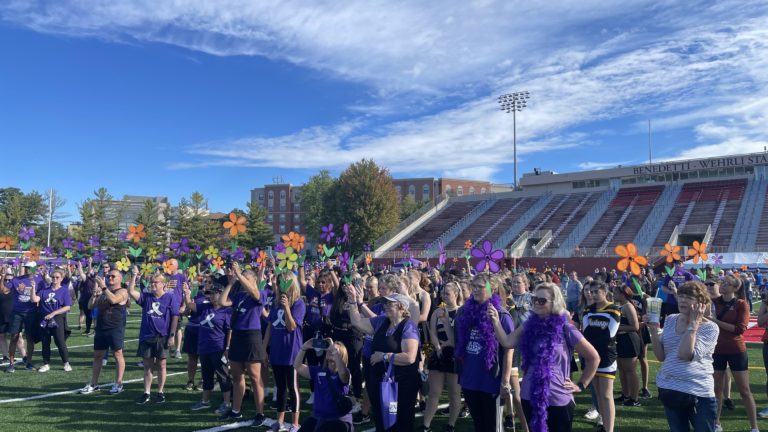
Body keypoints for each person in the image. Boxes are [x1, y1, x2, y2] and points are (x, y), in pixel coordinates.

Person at [490, 282, 599, 432]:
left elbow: (593, 357)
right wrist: (495, 321)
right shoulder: (528, 325)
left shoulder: (565, 328)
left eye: (542, 300)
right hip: (530, 395)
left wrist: (581, 384)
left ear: (555, 303)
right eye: (534, 299)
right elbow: (507, 342)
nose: (536, 303)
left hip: (558, 397)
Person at [648, 281, 719, 432]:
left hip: (698, 393)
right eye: (680, 296)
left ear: (701, 303)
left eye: (688, 297)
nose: (682, 300)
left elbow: (685, 354)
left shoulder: (710, 328)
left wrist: (694, 323)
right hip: (670, 388)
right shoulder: (671, 319)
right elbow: (661, 357)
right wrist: (653, 332)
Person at [347, 289, 420, 432]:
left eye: (390, 303)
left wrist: (384, 356)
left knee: (400, 421)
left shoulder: (408, 326)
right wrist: (352, 301)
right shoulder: (381, 321)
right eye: (385, 303)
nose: (385, 306)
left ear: (401, 307)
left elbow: (410, 357)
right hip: (380, 381)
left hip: (402, 384)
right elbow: (357, 321)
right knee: (381, 418)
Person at [455, 273, 513, 431]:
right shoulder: (464, 312)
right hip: (470, 379)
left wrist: (505, 381)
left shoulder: (501, 316)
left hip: (491, 381)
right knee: (479, 425)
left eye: (480, 286)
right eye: (473, 285)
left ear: (492, 289)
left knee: (492, 426)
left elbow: (509, 351)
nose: (474, 289)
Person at [707, 274, 759, 432]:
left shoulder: (741, 304)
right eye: (721, 282)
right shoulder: (714, 302)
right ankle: (716, 423)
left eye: (726, 284)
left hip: (736, 350)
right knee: (716, 389)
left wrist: (715, 321)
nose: (722, 285)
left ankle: (754, 427)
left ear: (735, 288)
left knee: (744, 390)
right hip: (717, 350)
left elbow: (739, 329)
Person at [218, 262, 268, 426]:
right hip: (238, 336)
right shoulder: (239, 295)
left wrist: (239, 274)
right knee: (237, 376)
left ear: (254, 280)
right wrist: (232, 283)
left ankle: (260, 413)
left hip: (251, 337)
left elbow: (254, 292)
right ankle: (235, 410)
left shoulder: (260, 293)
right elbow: (222, 302)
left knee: (255, 378)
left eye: (245, 279)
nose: (242, 282)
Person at [128, 267, 180, 404]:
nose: (153, 285)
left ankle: (160, 392)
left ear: (163, 284)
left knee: (161, 365)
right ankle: (146, 392)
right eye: (151, 282)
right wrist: (134, 275)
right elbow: (131, 292)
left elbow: (175, 316)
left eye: (156, 282)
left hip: (162, 336)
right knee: (147, 365)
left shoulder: (170, 297)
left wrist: (172, 335)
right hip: (146, 335)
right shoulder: (146, 297)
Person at [263, 272, 306, 432]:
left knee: (292, 387)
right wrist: (263, 348)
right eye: (280, 282)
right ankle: (279, 422)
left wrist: (287, 307)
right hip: (277, 349)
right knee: (280, 387)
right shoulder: (275, 303)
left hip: (292, 351)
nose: (282, 286)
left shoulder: (299, 303)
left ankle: (295, 424)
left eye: (285, 283)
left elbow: (292, 326)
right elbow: (270, 326)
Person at [184, 282, 233, 415]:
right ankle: (205, 401)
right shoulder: (205, 307)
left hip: (218, 348)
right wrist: (187, 293)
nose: (211, 296)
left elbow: (229, 331)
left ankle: (227, 403)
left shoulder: (227, 310)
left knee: (223, 376)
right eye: (210, 293)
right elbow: (190, 305)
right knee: (206, 376)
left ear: (222, 294)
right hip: (204, 347)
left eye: (214, 293)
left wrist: (227, 348)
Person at [79, 268, 129, 395]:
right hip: (101, 328)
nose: (110, 278)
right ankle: (94, 383)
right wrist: (95, 294)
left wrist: (104, 288)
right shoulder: (103, 292)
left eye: (113, 276)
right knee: (97, 356)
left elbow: (114, 300)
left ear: (120, 279)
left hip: (115, 328)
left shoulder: (123, 291)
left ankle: (118, 383)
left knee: (118, 354)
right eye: (109, 276)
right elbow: (90, 306)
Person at [422, 281, 463, 432]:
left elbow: (459, 338)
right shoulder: (437, 311)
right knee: (434, 392)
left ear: (456, 295)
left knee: (454, 393)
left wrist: (449, 344)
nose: (444, 296)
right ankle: (426, 425)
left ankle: (451, 424)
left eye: (447, 293)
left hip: (455, 355)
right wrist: (438, 347)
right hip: (438, 354)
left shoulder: (461, 312)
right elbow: (432, 331)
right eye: (443, 293)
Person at [581, 280, 620, 432]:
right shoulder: (587, 310)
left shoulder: (614, 309)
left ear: (605, 291)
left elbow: (609, 334)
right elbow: (585, 332)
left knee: (606, 395)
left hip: (606, 356)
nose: (593, 294)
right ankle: (604, 424)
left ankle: (609, 429)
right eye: (591, 291)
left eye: (596, 291)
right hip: (591, 356)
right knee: (597, 395)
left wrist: (589, 339)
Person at [293, 338, 353, 432]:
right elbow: (297, 366)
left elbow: (343, 375)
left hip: (338, 420)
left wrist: (334, 352)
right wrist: (304, 348)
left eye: (334, 350)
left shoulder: (344, 372)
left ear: (341, 355)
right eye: (329, 349)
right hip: (318, 417)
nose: (330, 350)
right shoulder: (318, 370)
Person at [3, 261, 44, 372]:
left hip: (31, 313)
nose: (27, 269)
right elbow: (4, 290)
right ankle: (11, 364)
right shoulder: (16, 279)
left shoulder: (40, 281)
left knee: (30, 339)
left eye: (29, 268)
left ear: (35, 269)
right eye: (26, 267)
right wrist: (2, 276)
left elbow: (38, 298)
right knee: (14, 338)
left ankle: (29, 362)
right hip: (17, 313)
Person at [36, 268, 72, 372]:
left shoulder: (64, 290)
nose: (54, 279)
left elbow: (67, 307)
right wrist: (33, 289)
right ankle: (46, 364)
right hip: (44, 318)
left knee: (60, 342)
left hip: (57, 318)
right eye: (53, 277)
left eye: (57, 277)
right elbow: (34, 300)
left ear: (61, 278)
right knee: (45, 342)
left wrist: (54, 313)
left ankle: (66, 363)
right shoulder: (44, 290)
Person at [612, 284, 641, 407]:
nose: (614, 294)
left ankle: (634, 399)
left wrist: (617, 328)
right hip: (621, 340)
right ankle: (625, 395)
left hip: (629, 340)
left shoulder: (628, 306)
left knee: (630, 370)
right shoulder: (620, 306)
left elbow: (635, 326)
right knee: (622, 370)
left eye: (616, 293)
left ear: (623, 294)